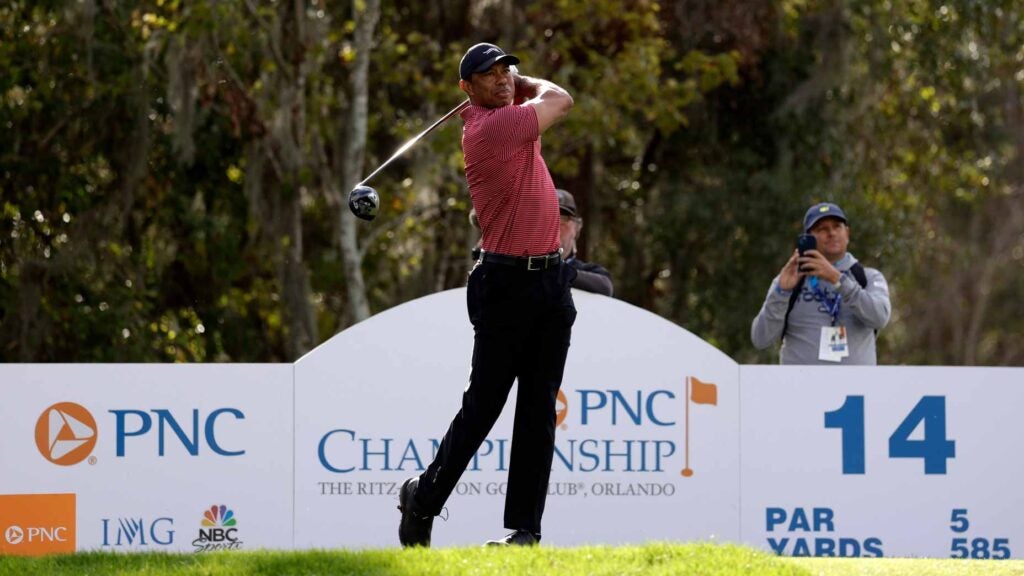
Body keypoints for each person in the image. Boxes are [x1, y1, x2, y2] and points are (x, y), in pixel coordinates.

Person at [397, 42, 575, 548]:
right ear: (466, 89)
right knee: (484, 406)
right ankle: (423, 497)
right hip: (506, 285)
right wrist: (525, 85)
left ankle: (525, 532)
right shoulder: (490, 128)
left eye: (506, 70)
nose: (502, 79)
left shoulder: (509, 118)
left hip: (550, 281)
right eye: (488, 74)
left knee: (538, 409)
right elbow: (561, 99)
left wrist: (514, 87)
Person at [751, 202, 891, 364]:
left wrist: (838, 279)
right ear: (808, 238)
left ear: (847, 233)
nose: (831, 233)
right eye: (822, 229)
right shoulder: (789, 281)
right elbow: (760, 339)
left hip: (854, 387)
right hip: (800, 387)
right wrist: (781, 293)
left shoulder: (869, 277)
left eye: (837, 226)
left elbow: (880, 318)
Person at [556, 188, 614, 296]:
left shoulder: (588, 271)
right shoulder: (524, 263)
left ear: (577, 227)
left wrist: (555, 272)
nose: (554, 225)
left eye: (563, 218)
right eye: (547, 217)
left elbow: (605, 286)